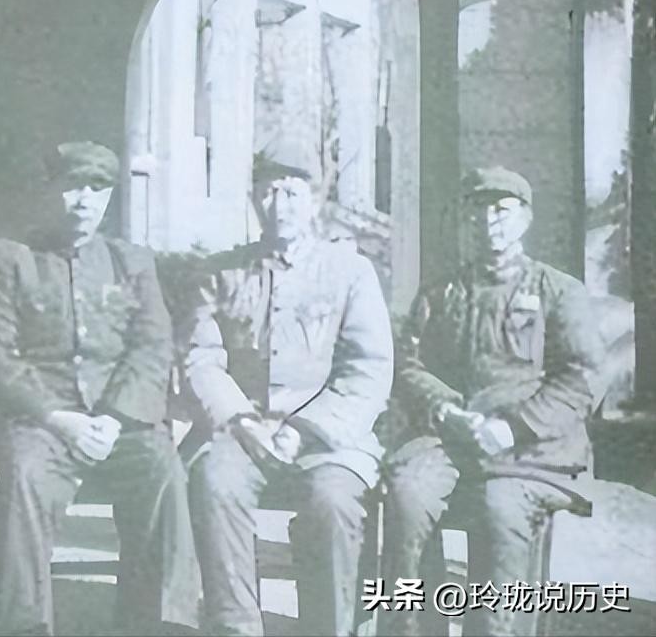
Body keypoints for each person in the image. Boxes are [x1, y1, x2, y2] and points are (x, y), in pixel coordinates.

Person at [0, 140, 201, 636]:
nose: (85, 200)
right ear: (50, 188)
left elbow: (152, 347)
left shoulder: (131, 262)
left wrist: (114, 418)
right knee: (25, 478)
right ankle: (26, 627)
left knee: (164, 473)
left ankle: (157, 624)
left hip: (121, 421)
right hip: (41, 421)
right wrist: (60, 419)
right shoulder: (9, 259)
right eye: (74, 186)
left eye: (98, 189)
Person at [175, 143, 394, 637]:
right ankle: (237, 626)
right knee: (213, 483)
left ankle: (328, 629)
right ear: (254, 200)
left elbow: (369, 366)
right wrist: (240, 419)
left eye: (293, 193)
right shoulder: (222, 273)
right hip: (241, 430)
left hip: (329, 437)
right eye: (269, 192)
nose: (281, 206)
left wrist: (304, 429)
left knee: (333, 503)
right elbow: (201, 356)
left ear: (315, 201)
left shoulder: (350, 272)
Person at [380, 166, 601, 637]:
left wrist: (512, 428)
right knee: (407, 494)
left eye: (501, 210)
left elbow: (580, 378)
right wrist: (444, 408)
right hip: (450, 441)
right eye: (476, 212)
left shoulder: (559, 292)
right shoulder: (441, 294)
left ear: (526, 218)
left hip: (530, 451)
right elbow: (408, 365)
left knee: (500, 509)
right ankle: (413, 629)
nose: (488, 222)